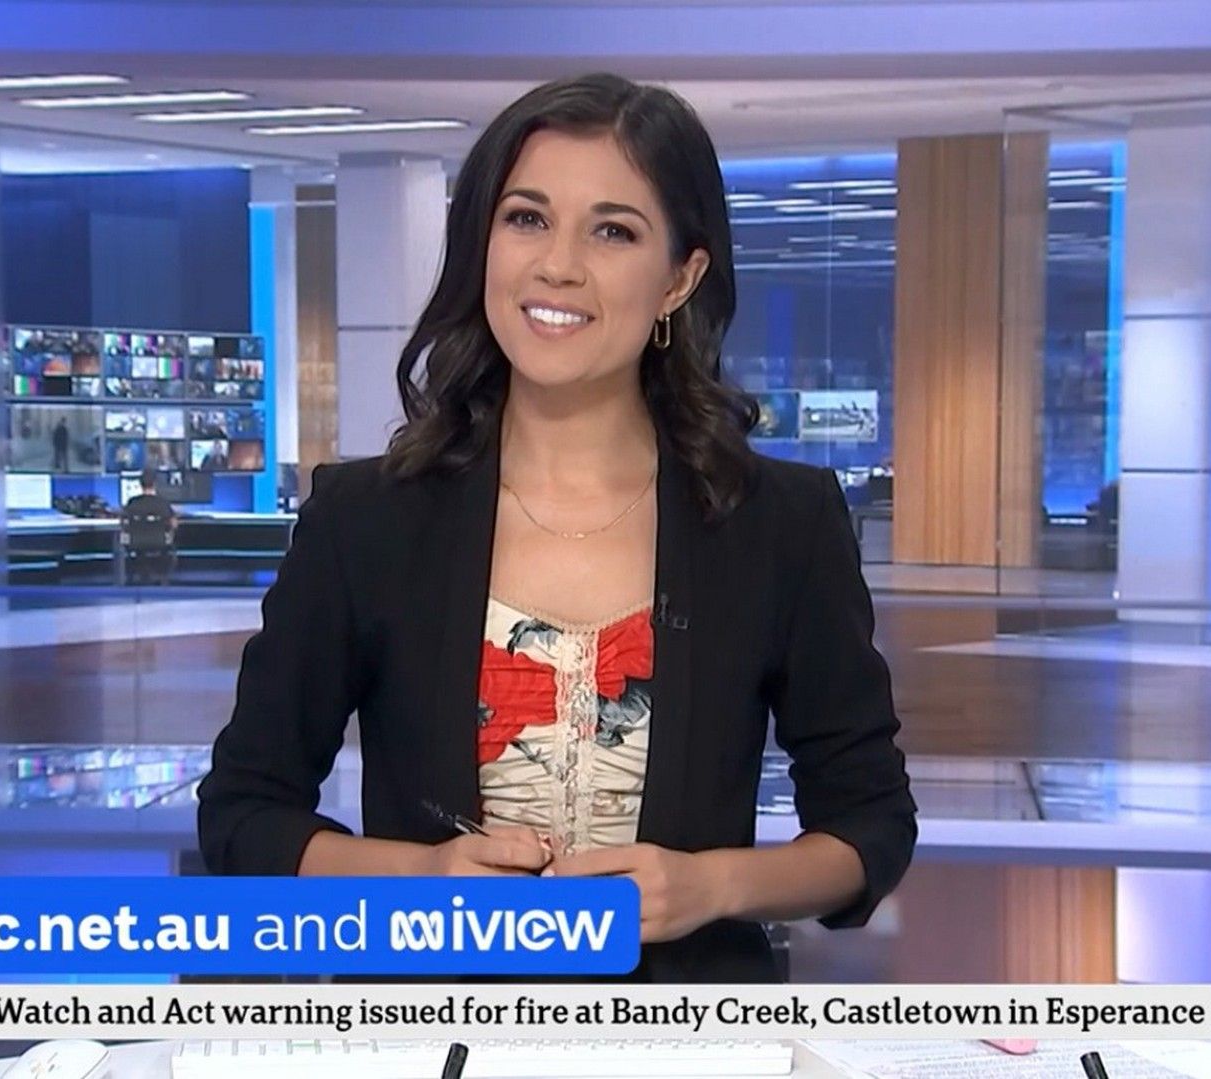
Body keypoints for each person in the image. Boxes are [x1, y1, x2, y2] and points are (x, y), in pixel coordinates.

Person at [198, 73, 917, 983]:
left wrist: (712, 884)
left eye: (613, 231)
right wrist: (418, 878)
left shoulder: (780, 524)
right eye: (526, 218)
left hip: (690, 1034)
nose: (558, 266)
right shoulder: (366, 519)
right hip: (429, 1034)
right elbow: (245, 812)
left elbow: (870, 825)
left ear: (680, 278)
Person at [120, 473, 178, 585]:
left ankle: (138, 575)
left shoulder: (132, 502)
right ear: (155, 484)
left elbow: (123, 522)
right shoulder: (162, 503)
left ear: (140, 484)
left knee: (137, 548)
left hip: (135, 542)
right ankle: (163, 578)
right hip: (159, 541)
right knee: (170, 545)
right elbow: (174, 524)